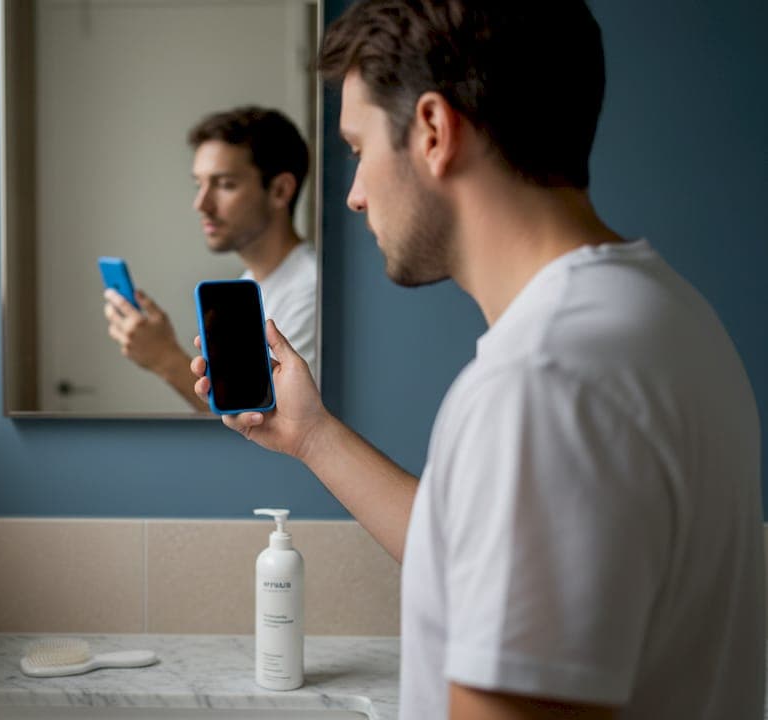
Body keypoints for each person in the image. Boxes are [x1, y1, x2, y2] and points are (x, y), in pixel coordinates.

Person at [191, 2, 764, 719]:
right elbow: (472, 551)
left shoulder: (543, 383)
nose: (355, 195)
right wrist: (313, 436)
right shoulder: (659, 312)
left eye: (358, 149)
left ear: (433, 131)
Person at [103, 107, 317, 412]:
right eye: (198, 184)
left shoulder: (312, 292)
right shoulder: (248, 287)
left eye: (225, 184)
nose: (201, 204)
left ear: (280, 190)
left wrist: (165, 358)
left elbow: (277, 428)